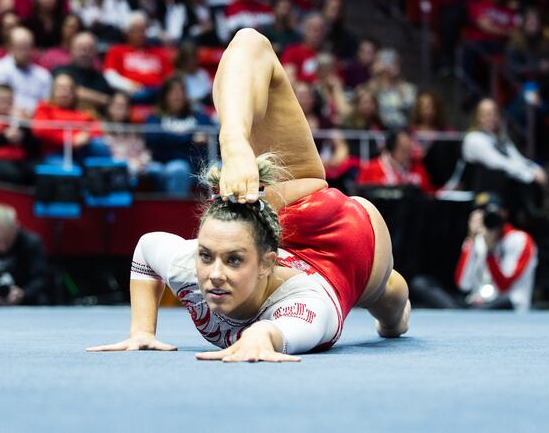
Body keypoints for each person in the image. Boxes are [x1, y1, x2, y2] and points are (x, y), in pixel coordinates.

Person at [88, 28, 410, 360]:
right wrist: (142, 331)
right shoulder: (195, 267)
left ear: (265, 265)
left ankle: (233, 140)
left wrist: (263, 336)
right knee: (385, 296)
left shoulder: (304, 303)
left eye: (233, 261)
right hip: (343, 262)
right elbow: (146, 250)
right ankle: (393, 309)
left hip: (340, 233)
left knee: (391, 306)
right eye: (206, 256)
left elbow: (284, 329)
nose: (214, 275)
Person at [462, 98, 547, 222]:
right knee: (520, 180)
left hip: (503, 191)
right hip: (483, 193)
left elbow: (517, 159)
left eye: (494, 113)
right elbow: (498, 163)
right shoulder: (474, 138)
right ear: (478, 117)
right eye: (487, 114)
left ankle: (532, 213)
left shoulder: (501, 138)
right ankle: (530, 211)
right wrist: (530, 175)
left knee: (524, 180)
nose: (491, 117)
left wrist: (535, 168)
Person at [455, 192, 537, 310]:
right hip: (479, 304)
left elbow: (504, 286)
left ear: (504, 213)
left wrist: (490, 252)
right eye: (482, 214)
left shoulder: (520, 240)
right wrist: (471, 238)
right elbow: (464, 285)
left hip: (510, 305)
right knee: (423, 286)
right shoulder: (476, 241)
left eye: (490, 212)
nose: (487, 217)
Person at [144, 78, 212, 196]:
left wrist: (170, 139)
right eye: (173, 91)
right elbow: (152, 138)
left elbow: (211, 133)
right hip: (162, 161)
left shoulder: (197, 116)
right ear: (165, 95)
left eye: (181, 91)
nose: (177, 95)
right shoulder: (156, 117)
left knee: (178, 168)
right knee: (155, 170)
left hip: (191, 165)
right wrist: (190, 138)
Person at [32, 73, 109, 160]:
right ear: (53, 91)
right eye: (60, 88)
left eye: (68, 89)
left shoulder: (82, 111)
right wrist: (71, 139)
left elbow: (97, 129)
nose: (64, 93)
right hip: (55, 152)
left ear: (74, 92)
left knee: (99, 144)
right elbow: (40, 130)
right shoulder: (45, 108)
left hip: (82, 151)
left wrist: (86, 135)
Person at [0, 27, 52, 117]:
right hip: (3, 121)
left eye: (28, 47)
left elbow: (48, 104)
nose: (25, 52)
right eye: (21, 47)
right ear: (10, 47)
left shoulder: (43, 75)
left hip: (35, 122)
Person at [104, 12, 174, 96]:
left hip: (158, 94)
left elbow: (170, 78)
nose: (140, 34)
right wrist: (128, 85)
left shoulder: (159, 52)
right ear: (127, 32)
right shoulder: (116, 51)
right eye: (136, 30)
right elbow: (110, 76)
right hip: (129, 93)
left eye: (143, 30)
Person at [52, 32, 114, 113]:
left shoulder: (100, 78)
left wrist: (79, 93)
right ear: (72, 50)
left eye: (89, 49)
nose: (84, 53)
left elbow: (109, 101)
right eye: (81, 48)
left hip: (90, 121)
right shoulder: (61, 71)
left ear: (95, 52)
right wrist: (99, 99)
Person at [357, 129, 435, 193]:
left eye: (409, 149)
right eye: (403, 150)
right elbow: (360, 198)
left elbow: (428, 194)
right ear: (391, 149)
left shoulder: (418, 168)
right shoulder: (370, 169)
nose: (408, 154)